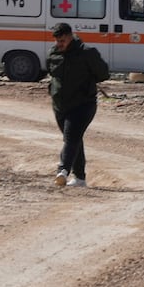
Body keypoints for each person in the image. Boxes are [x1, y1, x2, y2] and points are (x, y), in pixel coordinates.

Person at [45, 23, 109, 187]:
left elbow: (103, 73)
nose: (59, 44)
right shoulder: (54, 53)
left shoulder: (87, 53)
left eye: (62, 41)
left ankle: (63, 170)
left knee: (71, 137)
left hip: (83, 104)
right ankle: (80, 178)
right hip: (60, 106)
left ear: (70, 36)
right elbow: (50, 72)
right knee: (73, 140)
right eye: (57, 41)